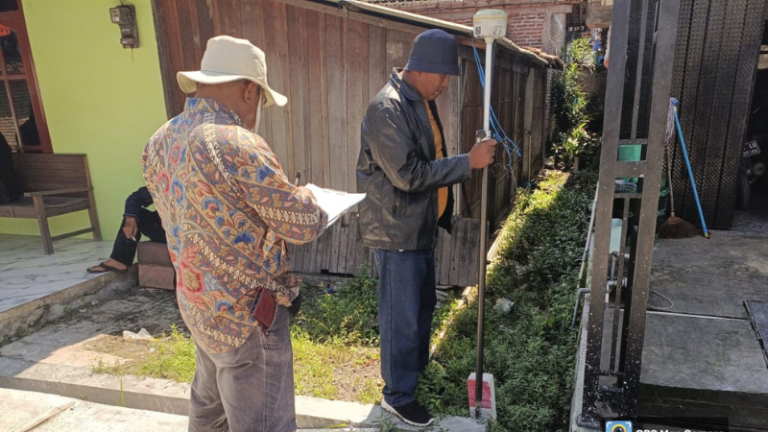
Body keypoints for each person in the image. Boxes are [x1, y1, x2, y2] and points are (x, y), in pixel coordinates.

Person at [142, 36, 327, 432]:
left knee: (208, 415)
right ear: (249, 91)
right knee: (263, 423)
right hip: (248, 318)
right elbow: (303, 225)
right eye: (259, 100)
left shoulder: (160, 141)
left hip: (198, 303)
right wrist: (308, 197)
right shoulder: (237, 142)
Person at [357, 29, 497, 427]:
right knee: (400, 317)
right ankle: (396, 396)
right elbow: (408, 174)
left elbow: (430, 154)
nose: (446, 84)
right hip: (396, 232)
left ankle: (413, 372)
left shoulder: (418, 100)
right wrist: (467, 162)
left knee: (422, 307)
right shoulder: (387, 108)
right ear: (423, 69)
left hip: (419, 226)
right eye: (444, 76)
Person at [87, 186, 165, 274]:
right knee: (135, 214)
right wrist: (130, 219)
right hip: (163, 226)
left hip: (179, 233)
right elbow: (135, 198)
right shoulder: (169, 181)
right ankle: (119, 261)